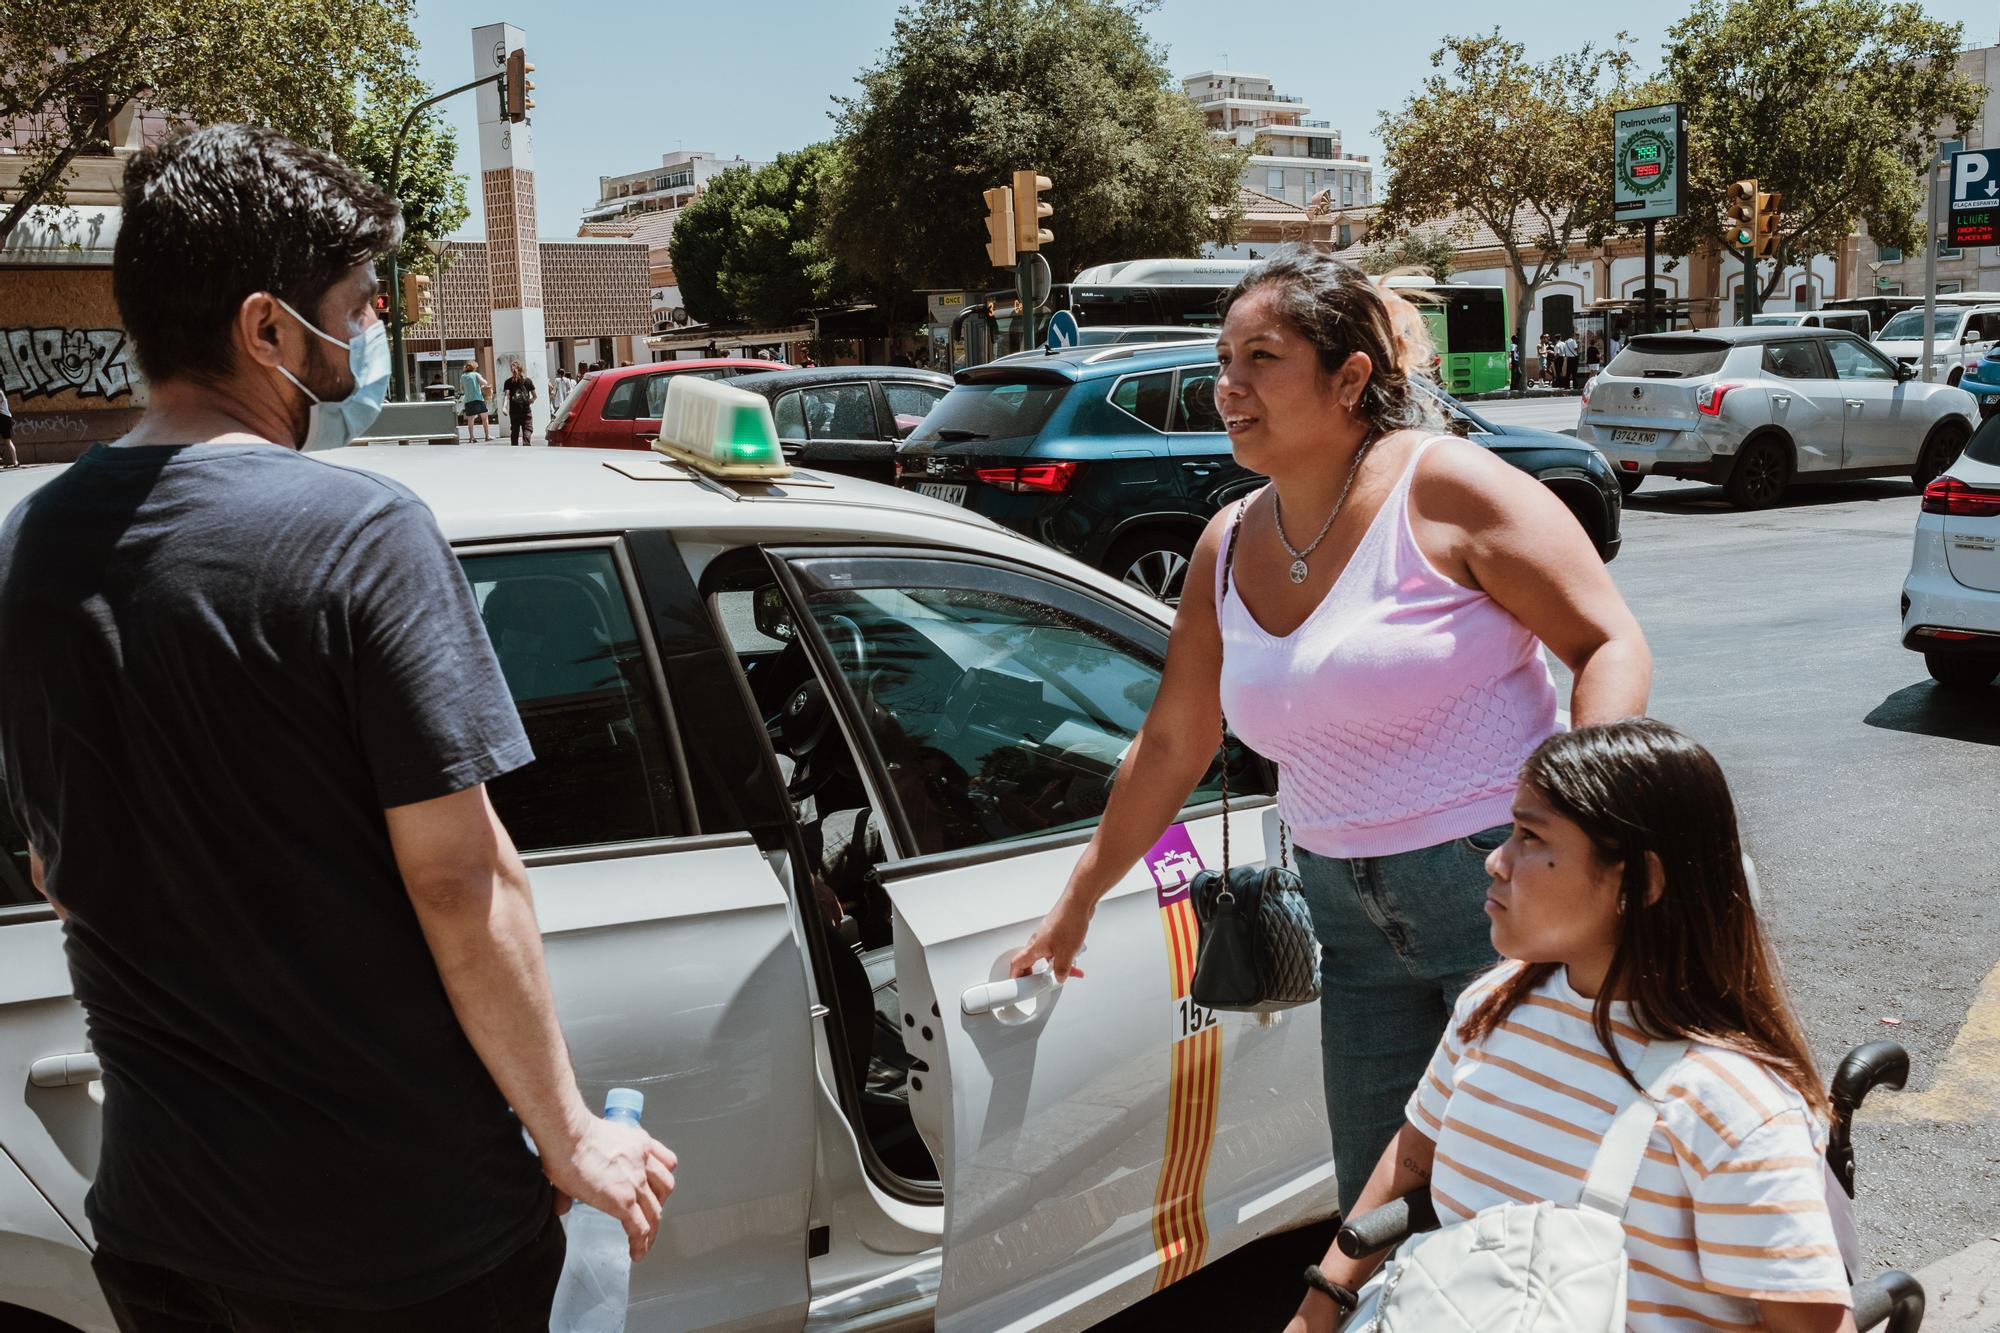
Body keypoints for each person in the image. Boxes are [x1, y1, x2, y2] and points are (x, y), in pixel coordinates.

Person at [0, 123, 677, 1332]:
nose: (368, 335)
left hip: (164, 1227)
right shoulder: (363, 536)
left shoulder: (30, 549)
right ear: (266, 329)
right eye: (358, 305)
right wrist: (572, 1133)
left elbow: (56, 869)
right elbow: (463, 882)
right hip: (398, 1241)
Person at [1010, 250, 1650, 1217]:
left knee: (1531, 1207)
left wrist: (1581, 837)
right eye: (1223, 360)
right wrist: (1079, 896)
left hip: (1506, 905)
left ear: (1351, 378)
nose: (1228, 386)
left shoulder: (1447, 489)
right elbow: (1174, 742)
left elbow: (1609, 641)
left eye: (1260, 358)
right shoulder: (1226, 542)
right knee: (1378, 1216)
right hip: (1347, 934)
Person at [1285, 720, 1856, 1333]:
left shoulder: (1730, 1107)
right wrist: (1318, 1308)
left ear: (1640, 882)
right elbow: (1416, 1151)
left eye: (1530, 837)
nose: (1496, 863)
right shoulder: (1493, 1004)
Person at [503, 360, 537, 446]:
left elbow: (507, 395)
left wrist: (504, 407)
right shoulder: (528, 381)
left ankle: (514, 450)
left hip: (514, 412)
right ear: (521, 369)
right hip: (526, 411)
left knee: (514, 432)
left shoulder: (508, 382)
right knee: (527, 430)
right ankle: (526, 447)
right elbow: (534, 396)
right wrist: (530, 401)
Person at [460, 361, 492, 441]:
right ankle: (487, 436)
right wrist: (481, 386)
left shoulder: (463, 376)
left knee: (470, 420)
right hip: (478, 399)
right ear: (474, 368)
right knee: (484, 417)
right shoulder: (476, 374)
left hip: (468, 400)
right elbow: (484, 382)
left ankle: (471, 437)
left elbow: (462, 388)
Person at [0, 381, 16, 467]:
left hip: (3, 417)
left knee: (8, 441)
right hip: (5, 417)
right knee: (8, 441)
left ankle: (15, 461)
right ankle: (15, 462)